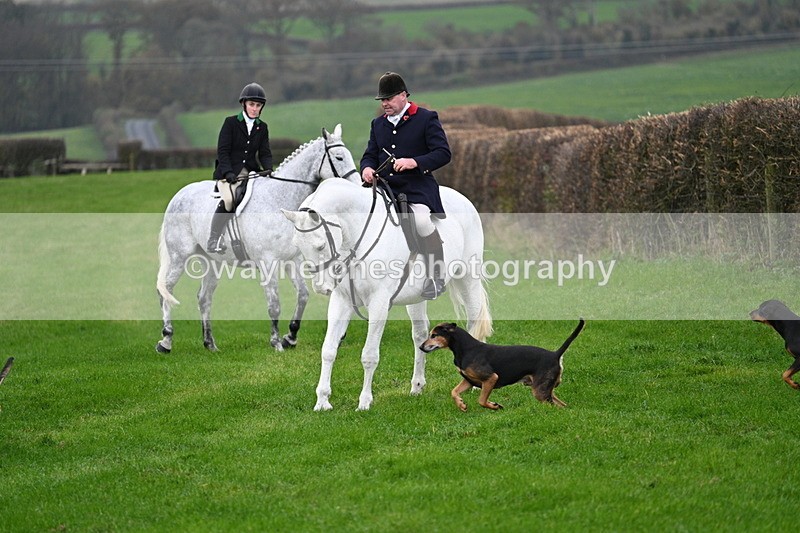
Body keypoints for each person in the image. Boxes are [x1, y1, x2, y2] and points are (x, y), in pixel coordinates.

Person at [360, 72, 451, 300]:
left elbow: (443, 153)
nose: (384, 104)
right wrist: (367, 169)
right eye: (382, 100)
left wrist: (414, 162)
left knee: (420, 221)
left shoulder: (426, 118)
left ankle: (436, 276)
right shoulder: (378, 124)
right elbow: (370, 155)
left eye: (389, 98)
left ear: (403, 95)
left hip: (417, 188)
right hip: (386, 189)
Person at [207, 82, 273, 254]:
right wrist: (228, 172)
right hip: (228, 172)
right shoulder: (230, 123)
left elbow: (264, 152)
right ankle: (213, 239)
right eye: (252, 104)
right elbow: (223, 151)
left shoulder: (262, 127)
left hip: (251, 172)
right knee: (229, 200)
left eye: (258, 105)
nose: (254, 108)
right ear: (244, 104)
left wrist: (268, 168)